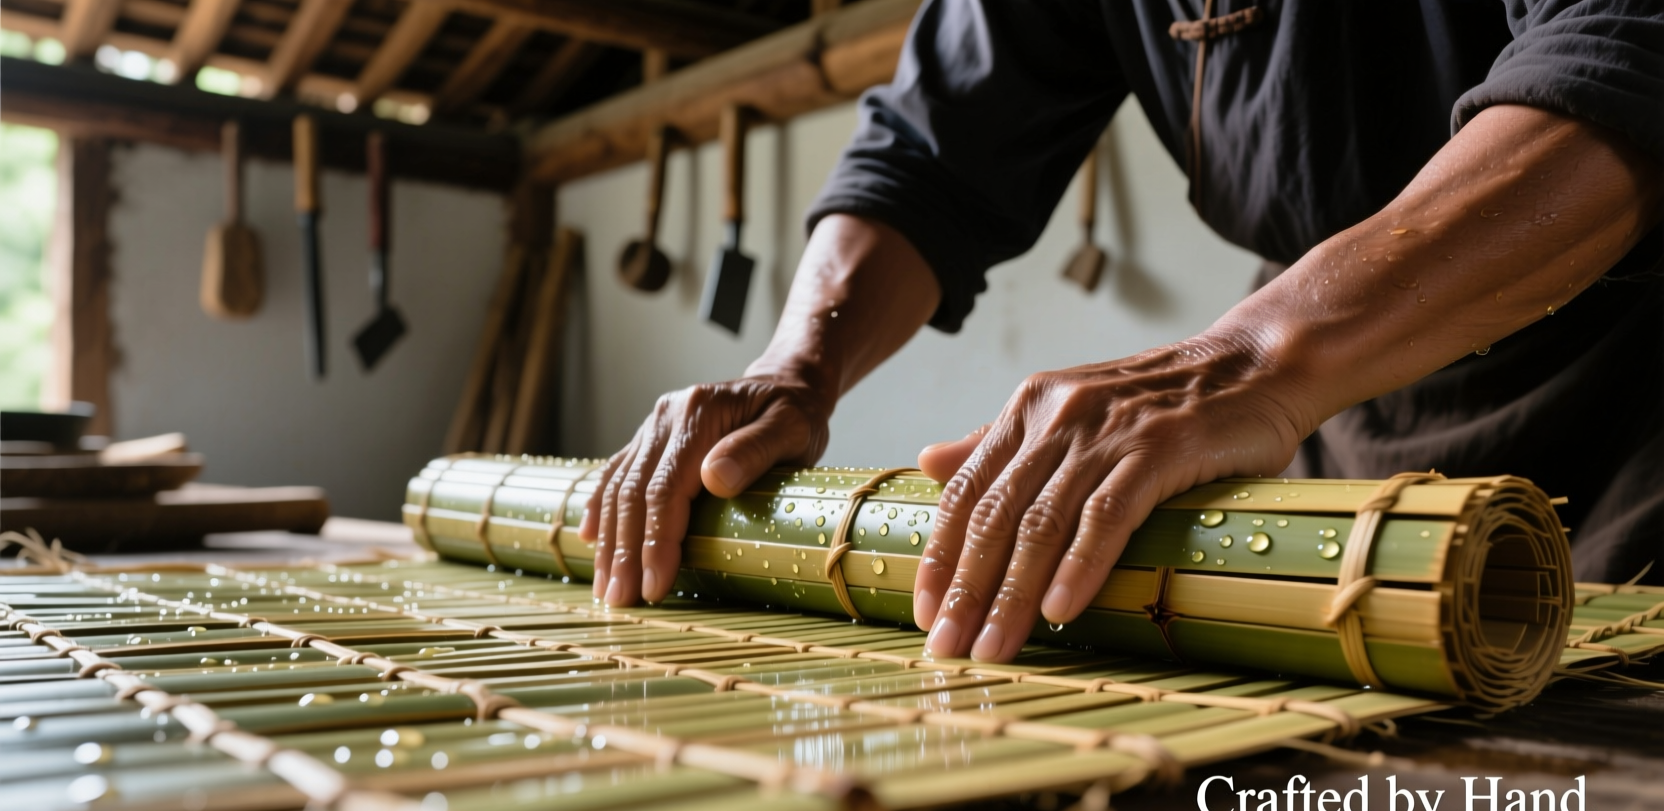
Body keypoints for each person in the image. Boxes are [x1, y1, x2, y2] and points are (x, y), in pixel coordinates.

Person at [581, 0, 1662, 664]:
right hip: (1351, 436)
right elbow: (924, 158)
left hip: (1632, 409)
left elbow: (1623, 54)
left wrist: (1250, 359)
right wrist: (793, 370)